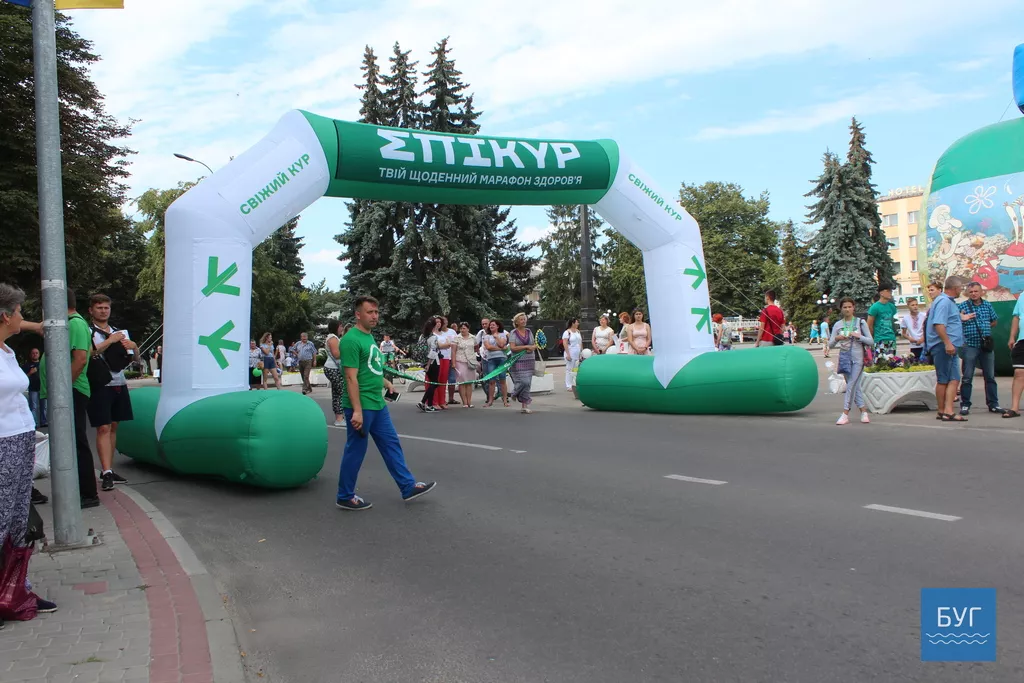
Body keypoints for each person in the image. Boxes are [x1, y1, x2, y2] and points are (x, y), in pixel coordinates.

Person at [336, 296, 435, 511]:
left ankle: (407, 486)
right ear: (358, 314)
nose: (374, 316)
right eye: (370, 312)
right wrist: (357, 412)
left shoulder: (369, 337)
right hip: (361, 405)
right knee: (356, 450)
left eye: (376, 312)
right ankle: (344, 495)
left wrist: (386, 382)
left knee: (391, 445)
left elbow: (369, 369)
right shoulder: (351, 340)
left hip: (377, 403)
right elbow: (351, 378)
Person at [0, 283, 59, 625]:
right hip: (2, 443)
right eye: (20, 311)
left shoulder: (7, 352)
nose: (23, 317)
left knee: (18, 521)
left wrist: (40, 326)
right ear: (6, 315)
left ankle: (16, 589)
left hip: (20, 440)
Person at [38, 288, 99, 508]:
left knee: (76, 441)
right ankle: (79, 490)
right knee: (70, 442)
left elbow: (80, 359)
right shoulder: (71, 323)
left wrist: (62, 389)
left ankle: (87, 493)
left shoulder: (74, 323)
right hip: (67, 391)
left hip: (71, 391)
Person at [87, 294, 136, 492]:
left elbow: (133, 358)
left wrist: (135, 347)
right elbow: (88, 352)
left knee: (114, 426)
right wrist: (110, 340)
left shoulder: (120, 332)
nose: (103, 311)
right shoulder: (88, 332)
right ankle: (106, 471)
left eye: (106, 307)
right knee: (103, 428)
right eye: (99, 307)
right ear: (91, 310)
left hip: (119, 383)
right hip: (99, 385)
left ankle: (109, 469)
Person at [926, 276, 967, 422]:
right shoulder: (944, 302)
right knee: (952, 379)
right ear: (955, 288)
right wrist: (948, 343)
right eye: (961, 287)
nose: (961, 290)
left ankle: (942, 411)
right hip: (945, 347)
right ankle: (948, 411)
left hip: (944, 346)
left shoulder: (943, 301)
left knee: (945, 379)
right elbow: (939, 324)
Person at [957, 281, 1001, 416]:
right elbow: (956, 322)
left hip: (985, 346)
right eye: (971, 292)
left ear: (981, 292)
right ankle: (965, 405)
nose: (974, 294)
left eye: (976, 291)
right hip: (970, 345)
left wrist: (985, 330)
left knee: (990, 376)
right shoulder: (963, 306)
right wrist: (962, 319)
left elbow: (994, 321)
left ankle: (993, 404)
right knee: (967, 376)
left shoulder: (987, 305)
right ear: (967, 293)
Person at [829, 297, 874, 425]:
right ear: (841, 309)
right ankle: (863, 411)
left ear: (854, 307)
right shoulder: (838, 325)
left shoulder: (860, 322)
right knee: (855, 386)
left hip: (858, 358)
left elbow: (870, 341)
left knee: (851, 385)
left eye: (850, 306)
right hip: (844, 358)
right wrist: (837, 338)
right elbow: (830, 345)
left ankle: (845, 413)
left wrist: (858, 336)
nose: (847, 309)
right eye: (845, 307)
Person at [509, 312, 538, 414]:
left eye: (524, 319)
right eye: (521, 319)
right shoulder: (513, 333)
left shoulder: (529, 331)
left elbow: (534, 344)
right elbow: (512, 348)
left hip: (529, 359)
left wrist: (532, 348)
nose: (524, 321)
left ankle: (524, 406)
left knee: (528, 383)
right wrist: (526, 347)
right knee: (523, 381)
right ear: (516, 322)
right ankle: (514, 393)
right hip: (518, 360)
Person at [416, 317, 447, 413]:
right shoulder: (433, 337)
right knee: (434, 383)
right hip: (433, 363)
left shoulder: (422, 336)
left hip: (423, 361)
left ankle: (429, 404)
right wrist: (428, 364)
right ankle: (423, 402)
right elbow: (433, 352)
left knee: (432, 383)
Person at [1002, 293, 1024, 418]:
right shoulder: (1022, 296)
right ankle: (1014, 408)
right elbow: (1016, 317)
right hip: (1022, 340)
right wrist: (1012, 337)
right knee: (1019, 373)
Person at [482, 320, 510, 408]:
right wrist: (501, 349)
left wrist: (496, 337)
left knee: (502, 379)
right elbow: (488, 347)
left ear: (498, 326)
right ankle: (490, 400)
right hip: (491, 359)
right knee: (491, 381)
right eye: (490, 325)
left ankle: (505, 400)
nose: (491, 326)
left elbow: (502, 344)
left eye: (493, 325)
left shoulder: (502, 335)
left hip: (502, 359)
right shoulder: (486, 336)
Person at [323, 320, 346, 427]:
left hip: (333, 368)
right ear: (336, 327)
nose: (342, 328)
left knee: (337, 393)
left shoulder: (333, 337)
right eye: (341, 326)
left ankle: (339, 418)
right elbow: (336, 354)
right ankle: (340, 418)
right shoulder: (332, 338)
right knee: (342, 392)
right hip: (333, 368)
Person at [867, 284, 898, 358]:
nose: (890, 292)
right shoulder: (874, 307)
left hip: (891, 339)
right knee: (880, 362)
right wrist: (871, 339)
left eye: (891, 291)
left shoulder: (891, 306)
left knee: (892, 362)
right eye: (888, 291)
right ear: (881, 293)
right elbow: (869, 325)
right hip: (880, 339)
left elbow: (892, 321)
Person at [453, 322, 478, 408]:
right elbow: (453, 351)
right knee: (462, 381)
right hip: (460, 361)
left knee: (469, 382)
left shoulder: (473, 337)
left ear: (468, 329)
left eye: (464, 328)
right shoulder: (457, 338)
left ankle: (469, 401)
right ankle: (464, 402)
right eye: (461, 328)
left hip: (470, 361)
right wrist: (453, 363)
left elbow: (476, 347)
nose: (462, 330)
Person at [22, 347, 45, 428]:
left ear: (39, 354)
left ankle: (44, 421)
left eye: (36, 353)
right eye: (33, 353)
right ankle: (34, 423)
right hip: (33, 388)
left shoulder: (43, 364)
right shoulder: (27, 365)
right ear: (30, 355)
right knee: (33, 407)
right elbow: (23, 377)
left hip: (42, 388)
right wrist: (30, 373)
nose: (35, 354)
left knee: (44, 407)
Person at [562, 318, 582, 390]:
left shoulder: (578, 332)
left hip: (577, 352)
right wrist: (568, 354)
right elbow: (565, 343)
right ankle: (568, 385)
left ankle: (574, 383)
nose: (578, 324)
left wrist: (581, 352)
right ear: (572, 323)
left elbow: (580, 342)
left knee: (576, 369)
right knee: (569, 369)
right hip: (570, 351)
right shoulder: (567, 332)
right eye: (576, 322)